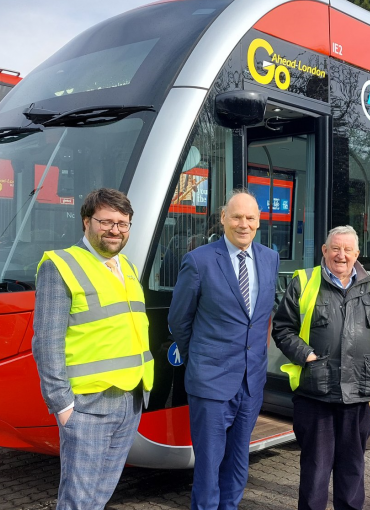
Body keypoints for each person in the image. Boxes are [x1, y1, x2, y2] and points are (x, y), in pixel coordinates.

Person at [32, 188, 153, 510]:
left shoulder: (125, 265)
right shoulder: (61, 265)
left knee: (100, 495)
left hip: (130, 399)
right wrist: (63, 406)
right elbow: (46, 341)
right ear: (87, 222)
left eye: (123, 223)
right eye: (107, 222)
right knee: (79, 500)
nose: (115, 230)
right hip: (88, 405)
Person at [272, 225, 370, 510]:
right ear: (324, 250)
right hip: (315, 394)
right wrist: (305, 355)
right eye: (335, 248)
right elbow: (282, 329)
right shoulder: (304, 282)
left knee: (352, 470)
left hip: (361, 394)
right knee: (315, 471)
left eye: (347, 250)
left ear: (357, 253)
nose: (341, 255)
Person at [168, 190, 279, 510]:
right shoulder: (199, 260)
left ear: (259, 222)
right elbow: (179, 319)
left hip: (251, 381)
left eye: (250, 218)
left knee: (239, 458)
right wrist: (198, 359)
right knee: (208, 462)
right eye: (236, 217)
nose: (243, 224)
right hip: (210, 380)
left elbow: (261, 319)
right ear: (223, 219)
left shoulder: (269, 258)